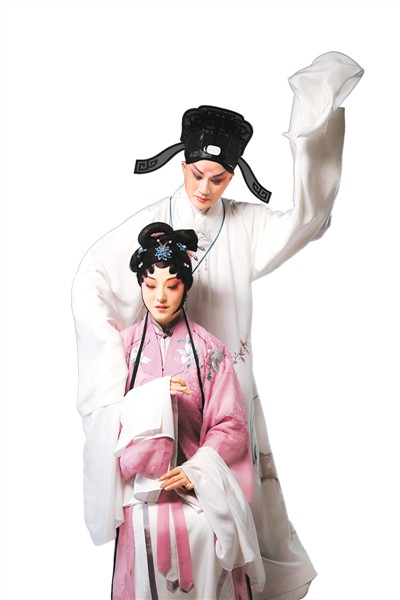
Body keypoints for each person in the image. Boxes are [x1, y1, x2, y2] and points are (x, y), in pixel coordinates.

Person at [73, 52, 364, 600]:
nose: (205, 189)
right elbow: (91, 280)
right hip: (160, 401)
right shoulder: (149, 224)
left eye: (220, 178)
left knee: (236, 517)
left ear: (233, 176)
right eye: (196, 174)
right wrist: (114, 380)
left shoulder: (244, 225)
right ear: (180, 163)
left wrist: (312, 125)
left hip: (222, 392)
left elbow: (308, 220)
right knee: (152, 522)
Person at [110, 222, 265, 599]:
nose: (160, 296)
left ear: (186, 286)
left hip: (197, 485)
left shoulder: (211, 351)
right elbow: (105, 419)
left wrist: (197, 471)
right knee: (143, 527)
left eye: (172, 285)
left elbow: (230, 425)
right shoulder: (121, 350)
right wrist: (153, 399)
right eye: (151, 285)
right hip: (139, 486)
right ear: (140, 285)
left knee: (205, 529)